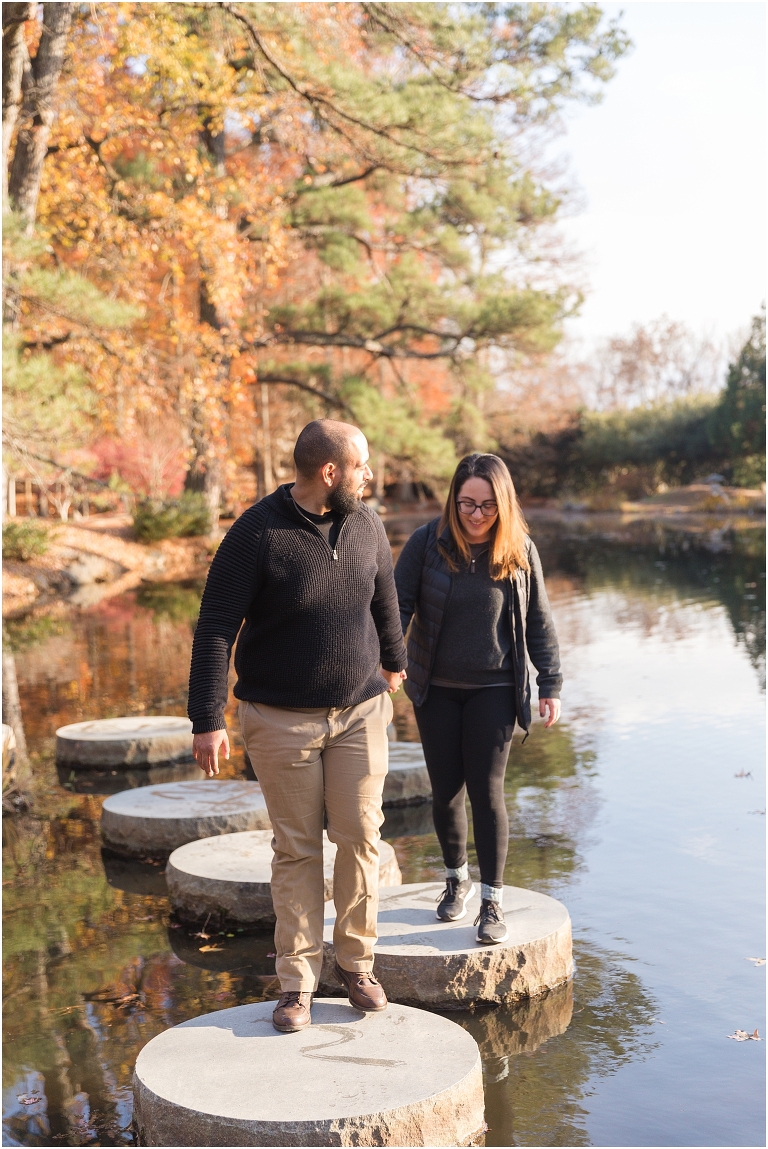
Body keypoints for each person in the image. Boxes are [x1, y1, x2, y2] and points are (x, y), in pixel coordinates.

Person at [188, 419, 407, 1034]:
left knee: (362, 838)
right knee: (298, 849)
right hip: (281, 721)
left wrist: (394, 662)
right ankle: (297, 983)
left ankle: (357, 965)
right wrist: (207, 717)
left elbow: (383, 594)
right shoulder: (256, 533)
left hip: (360, 712)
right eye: (361, 466)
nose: (369, 475)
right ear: (329, 473)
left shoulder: (364, 521)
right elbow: (213, 630)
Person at [394, 453, 562, 944]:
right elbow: (397, 606)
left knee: (487, 793)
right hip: (435, 688)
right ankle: (455, 879)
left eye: (487, 505)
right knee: (445, 790)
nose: (475, 515)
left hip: (494, 689)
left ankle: (492, 901)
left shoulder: (520, 550)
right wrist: (386, 660)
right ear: (453, 499)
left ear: (503, 503)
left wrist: (550, 681)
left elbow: (540, 621)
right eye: (466, 503)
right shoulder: (427, 543)